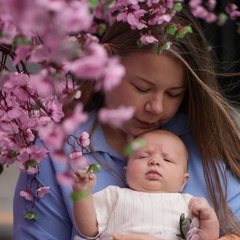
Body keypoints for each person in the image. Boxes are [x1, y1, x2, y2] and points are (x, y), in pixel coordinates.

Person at [13, 4, 240, 240]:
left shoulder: (205, 141)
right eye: (142, 88)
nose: (157, 107)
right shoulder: (58, 151)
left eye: (174, 93)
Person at [72, 129, 220, 240]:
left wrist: (208, 218)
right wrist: (83, 194)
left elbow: (206, 238)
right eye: (143, 156)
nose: (154, 161)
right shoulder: (114, 194)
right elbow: (89, 229)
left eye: (167, 160)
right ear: (126, 172)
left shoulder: (188, 203)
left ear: (183, 181)